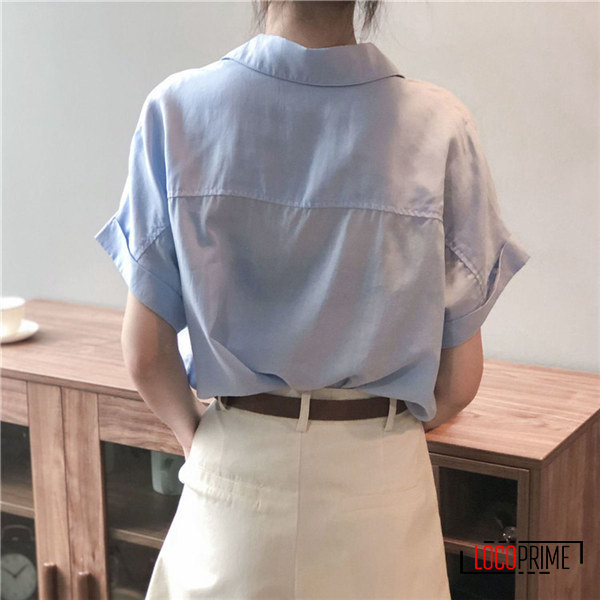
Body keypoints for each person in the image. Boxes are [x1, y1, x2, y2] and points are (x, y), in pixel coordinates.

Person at [94, 1, 531, 598]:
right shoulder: (441, 127)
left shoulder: (176, 111)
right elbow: (459, 382)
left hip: (236, 477)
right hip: (380, 488)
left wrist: (209, 443)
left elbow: (146, 355)